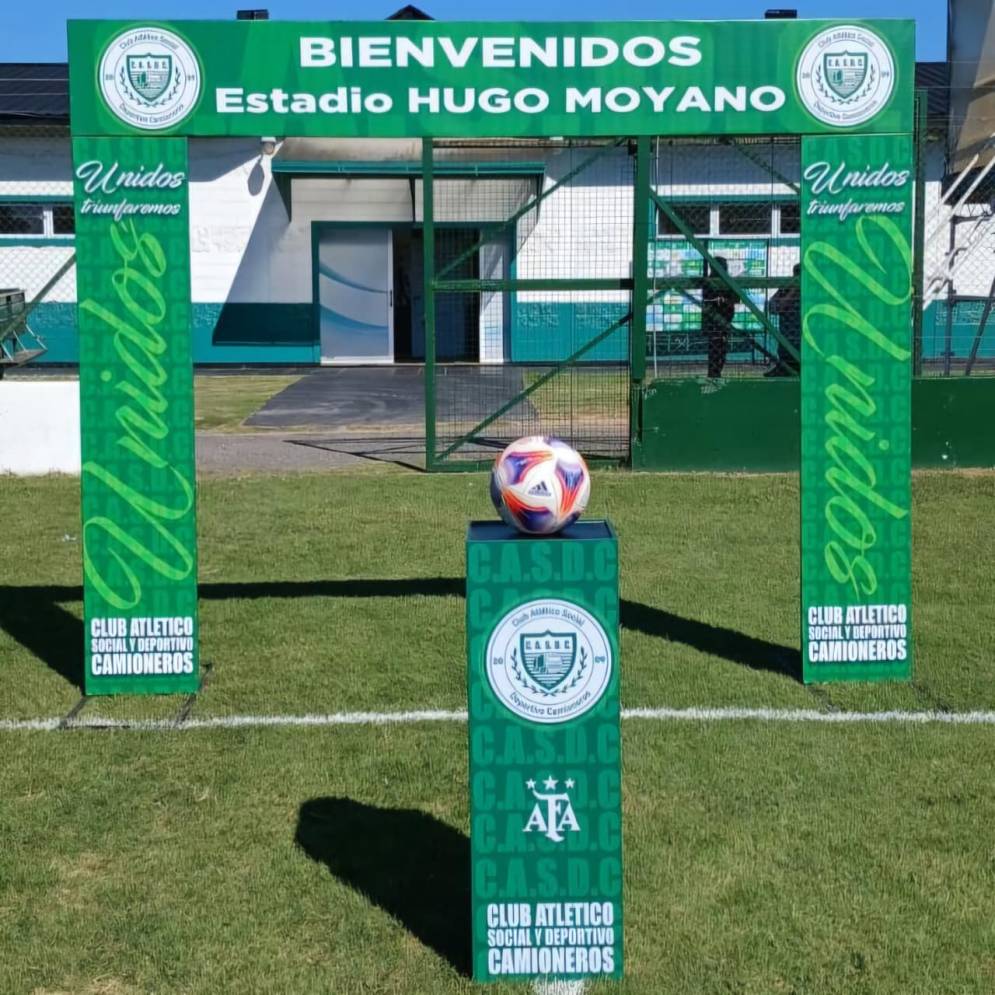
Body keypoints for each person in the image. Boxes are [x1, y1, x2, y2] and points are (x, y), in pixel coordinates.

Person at [700, 256, 738, 379]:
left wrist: (724, 301)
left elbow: (735, 298)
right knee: (716, 348)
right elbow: (707, 299)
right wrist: (721, 301)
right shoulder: (710, 281)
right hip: (714, 320)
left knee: (720, 348)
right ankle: (714, 373)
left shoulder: (728, 281)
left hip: (724, 319)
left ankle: (715, 373)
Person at [766, 263, 802, 377]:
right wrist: (793, 290)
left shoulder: (813, 290)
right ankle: (785, 367)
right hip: (788, 339)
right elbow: (773, 307)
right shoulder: (787, 288)